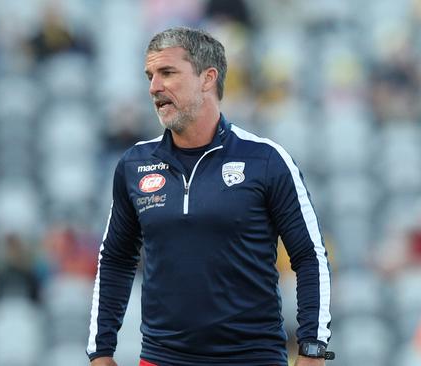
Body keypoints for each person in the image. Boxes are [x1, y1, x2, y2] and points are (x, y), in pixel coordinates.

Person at [86, 27, 332, 366]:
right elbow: (115, 258)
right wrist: (100, 352)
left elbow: (309, 257)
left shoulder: (267, 160)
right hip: (162, 359)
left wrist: (313, 350)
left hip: (251, 359)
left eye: (167, 72)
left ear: (207, 78)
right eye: (150, 76)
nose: (154, 87)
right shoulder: (134, 164)